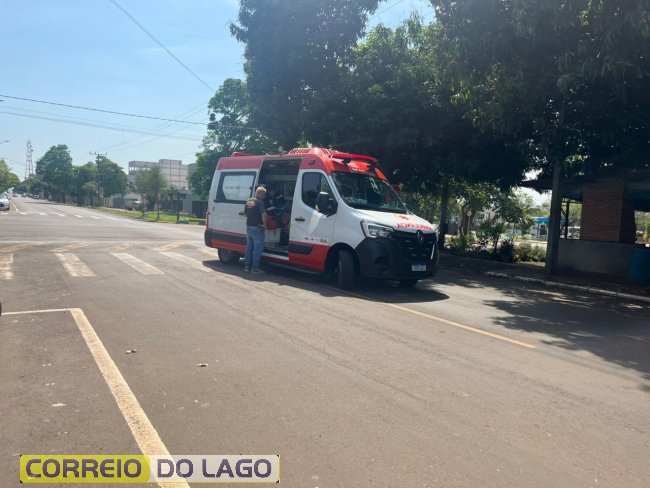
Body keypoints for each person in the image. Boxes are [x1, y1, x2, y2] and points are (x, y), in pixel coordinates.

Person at [244, 186, 268, 274]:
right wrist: (264, 225)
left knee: (249, 248)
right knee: (257, 249)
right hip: (257, 228)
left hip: (249, 227)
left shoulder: (249, 201)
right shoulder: (260, 202)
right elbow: (264, 214)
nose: (264, 196)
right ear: (261, 194)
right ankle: (254, 268)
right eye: (264, 195)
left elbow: (245, 214)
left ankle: (247, 267)